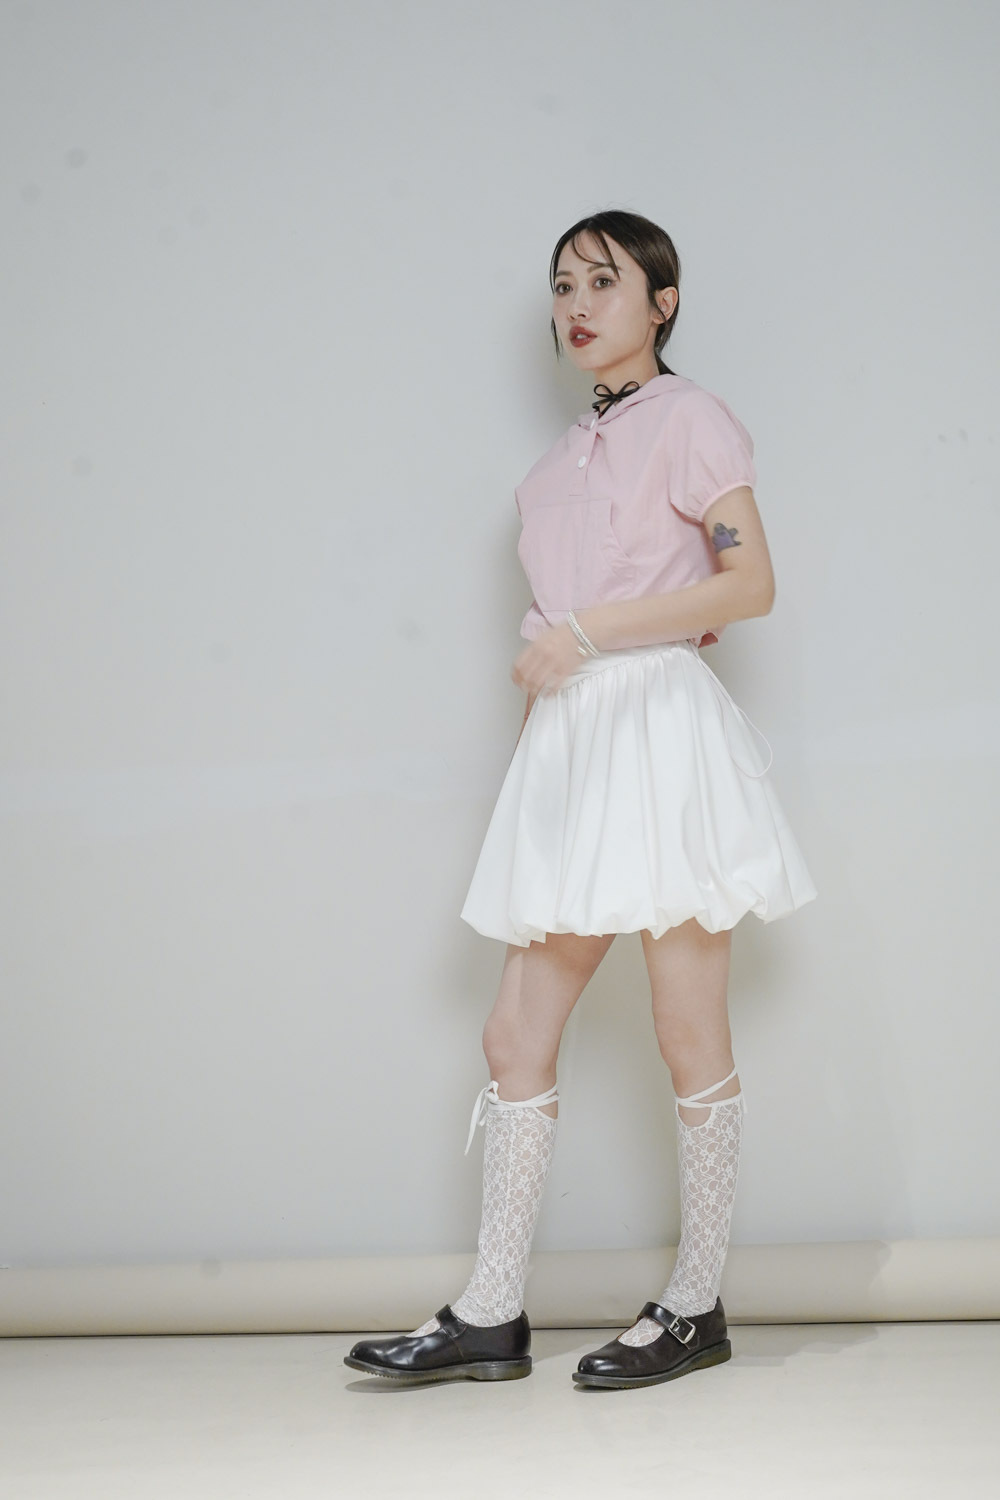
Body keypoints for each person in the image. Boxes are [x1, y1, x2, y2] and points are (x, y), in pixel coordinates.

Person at [345, 209, 818, 1391]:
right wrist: (534, 770)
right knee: (513, 1032)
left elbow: (749, 581)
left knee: (684, 1023)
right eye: (561, 284)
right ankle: (491, 1310)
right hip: (568, 743)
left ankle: (696, 1303)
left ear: (662, 301)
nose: (576, 303)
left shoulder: (691, 419)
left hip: (658, 726)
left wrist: (591, 634)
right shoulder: (552, 466)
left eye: (603, 281)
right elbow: (550, 643)